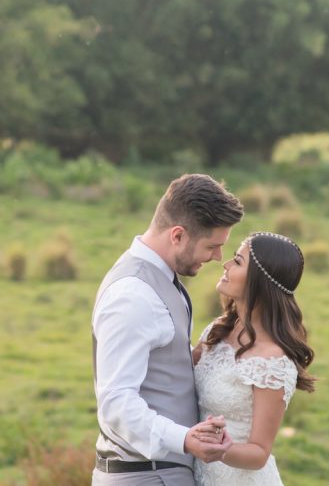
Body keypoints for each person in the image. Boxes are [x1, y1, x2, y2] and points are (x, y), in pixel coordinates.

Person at [92, 173, 245, 484]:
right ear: (177, 235)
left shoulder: (161, 279)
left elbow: (160, 360)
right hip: (147, 475)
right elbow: (116, 402)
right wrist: (185, 439)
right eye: (211, 246)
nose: (218, 257)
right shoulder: (133, 296)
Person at [190, 231, 316, 486]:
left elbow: (259, 452)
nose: (225, 265)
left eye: (237, 261)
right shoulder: (219, 329)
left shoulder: (272, 361)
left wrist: (222, 449)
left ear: (260, 281)